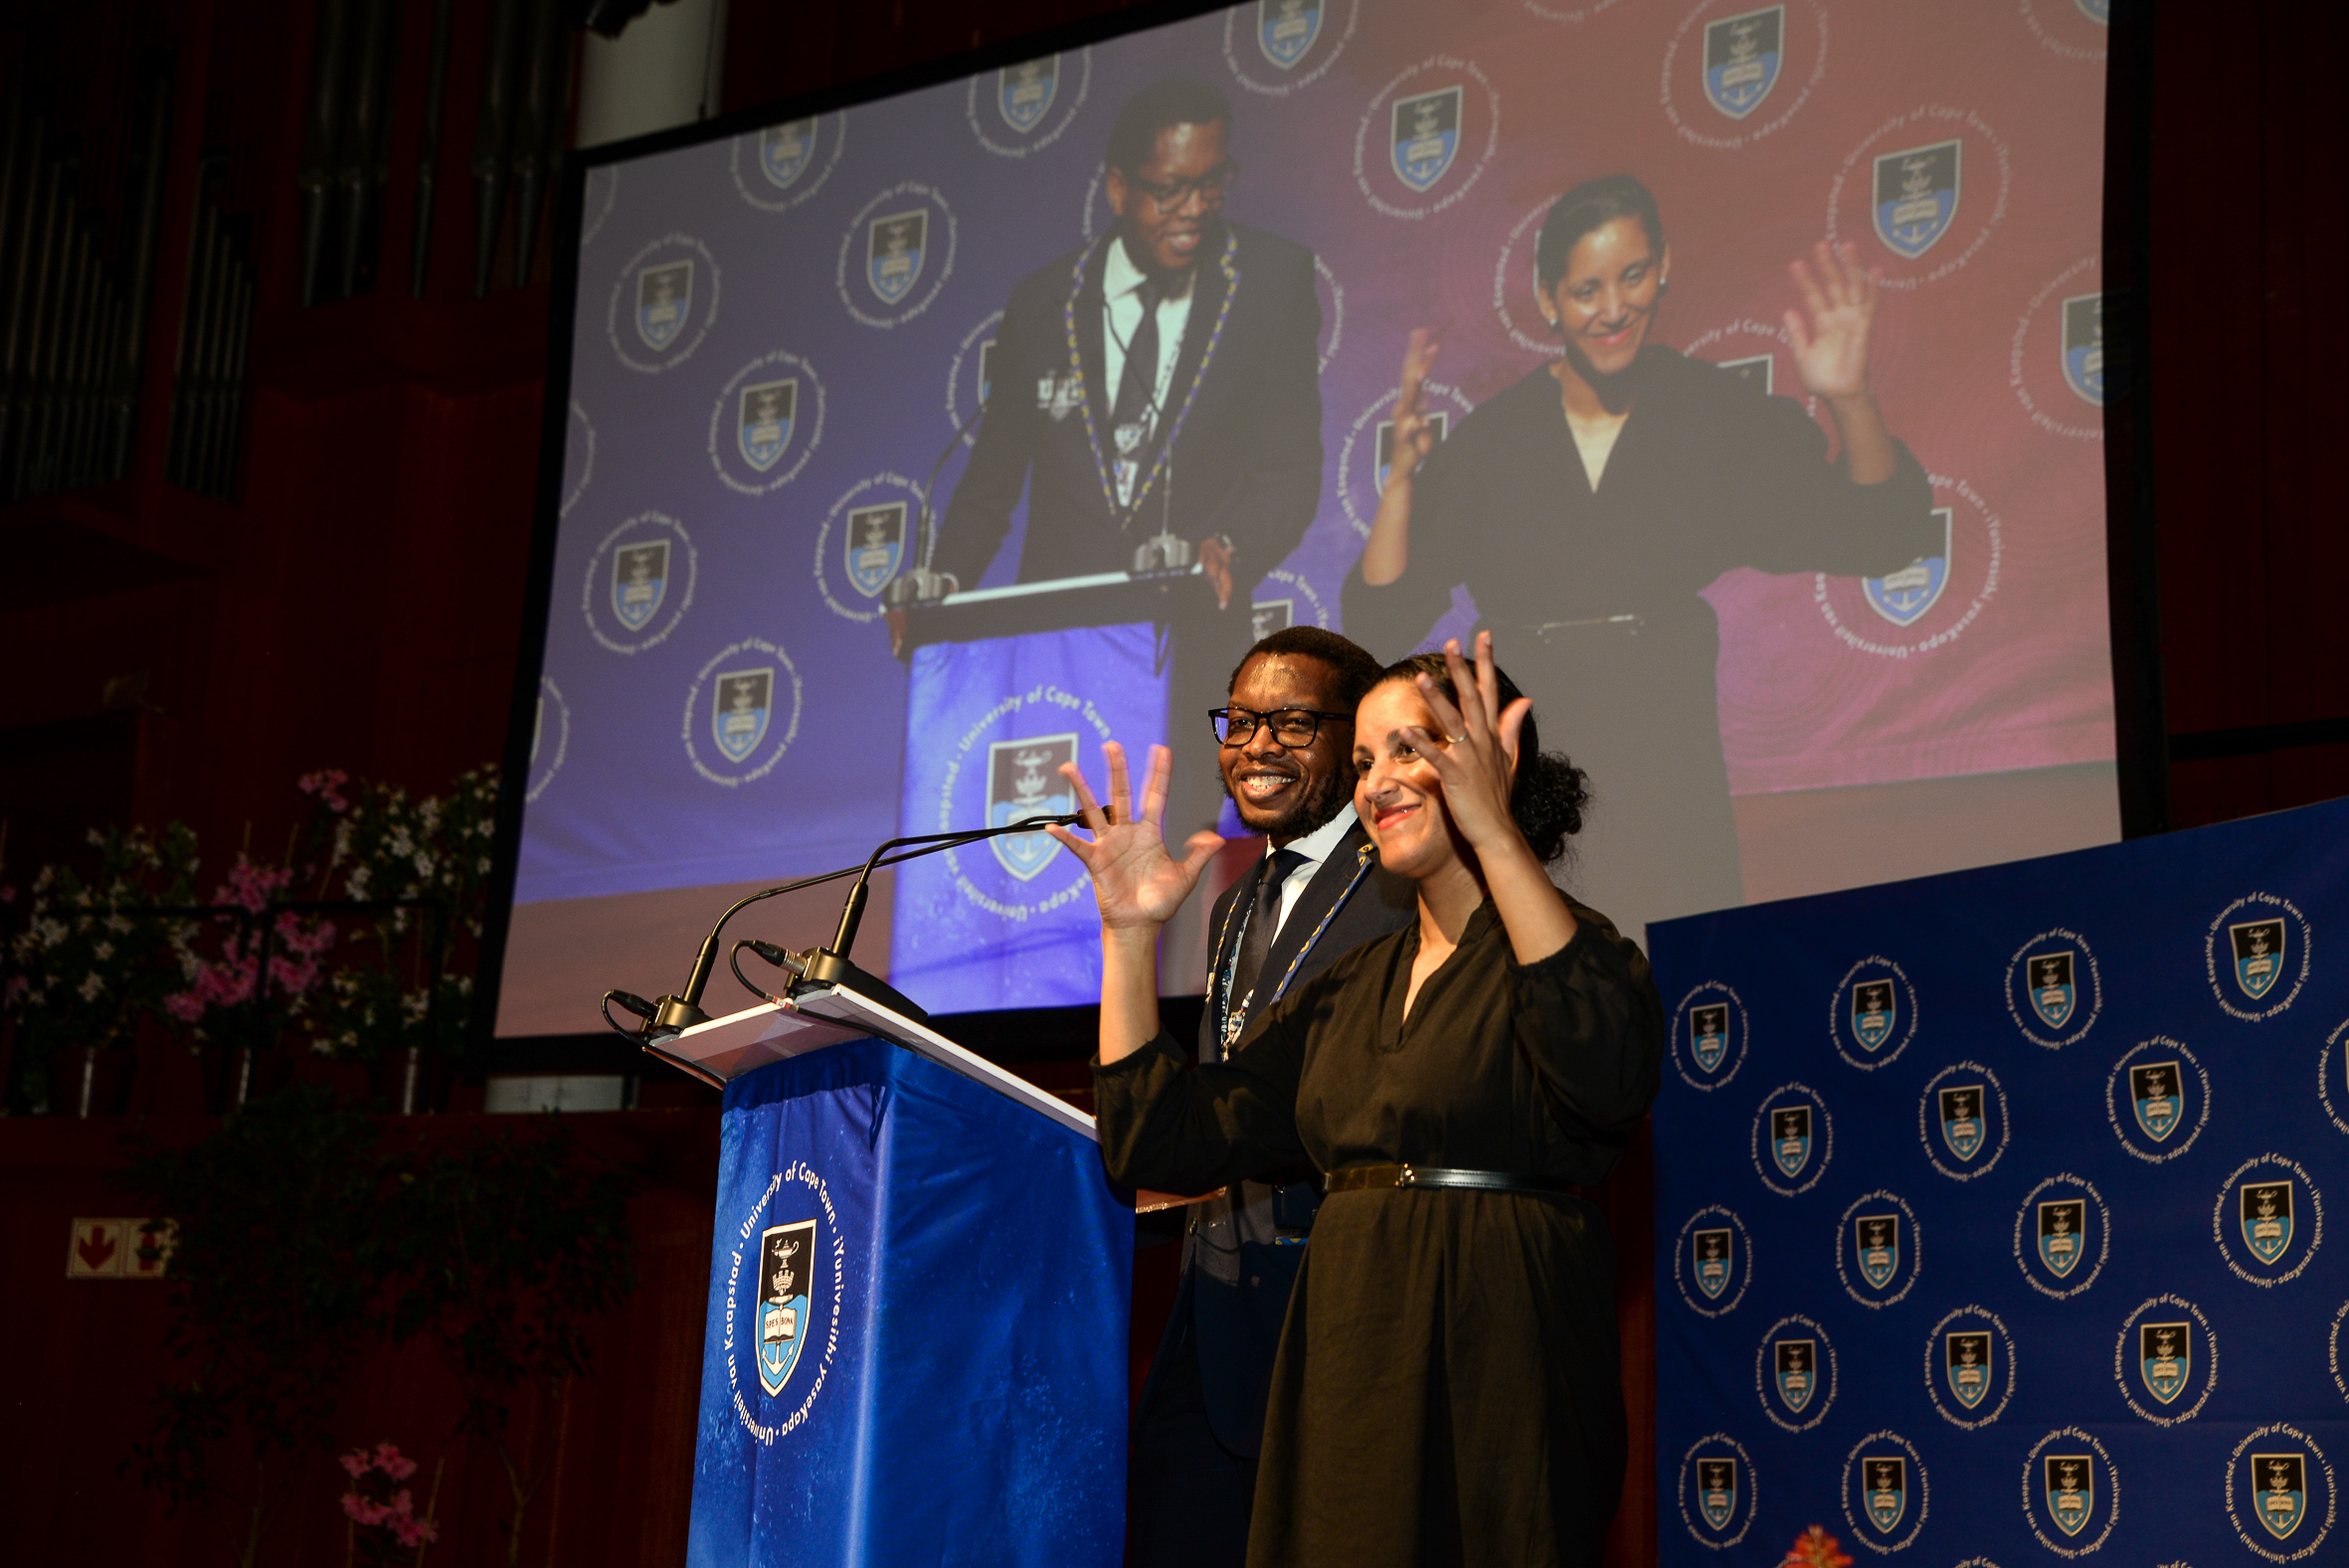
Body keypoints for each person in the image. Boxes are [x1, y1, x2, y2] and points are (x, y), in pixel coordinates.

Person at [1047, 632, 1664, 1567]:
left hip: (1502, 1357)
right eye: (1367, 759)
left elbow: (1609, 1076)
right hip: (1346, 1362)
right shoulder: (1348, 989)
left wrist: (1496, 834)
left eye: (1411, 749)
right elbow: (1163, 1141)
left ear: (1495, 761)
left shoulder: (1575, 951)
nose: (1377, 782)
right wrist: (1127, 938)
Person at [1342, 173, 1940, 940]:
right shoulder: (1492, 439)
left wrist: (1850, 398)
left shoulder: (1713, 414)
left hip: (1669, 762)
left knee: (1683, 971)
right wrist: (1400, 483)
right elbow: (1381, 614)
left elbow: (1878, 532)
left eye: (1632, 276)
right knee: (1537, 965)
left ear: (1663, 269)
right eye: (1586, 289)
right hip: (1532, 759)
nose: (1614, 307)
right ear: (1549, 298)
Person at [904, 77, 1325, 837]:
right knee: (1046, 862)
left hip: (1189, 652)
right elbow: (989, 486)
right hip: (1055, 659)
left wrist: (1231, 544)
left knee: (1168, 870)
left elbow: (1290, 471)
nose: (1194, 208)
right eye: (1170, 190)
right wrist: (943, 587)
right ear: (1119, 188)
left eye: (1211, 183)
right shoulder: (1045, 303)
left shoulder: (1271, 283)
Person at [1129, 625, 1415, 1568]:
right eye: (1242, 721)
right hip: (1213, 1311)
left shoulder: (1403, 881)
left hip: (1337, 1318)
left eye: (1292, 723)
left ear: (1354, 740)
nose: (1257, 745)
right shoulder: (1233, 902)